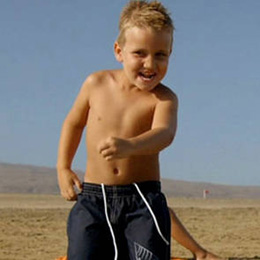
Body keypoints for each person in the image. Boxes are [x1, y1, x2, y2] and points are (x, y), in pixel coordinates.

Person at [57, 1, 221, 260]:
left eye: (160, 55)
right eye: (140, 53)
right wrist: (63, 167)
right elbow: (73, 123)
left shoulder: (164, 99)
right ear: (119, 51)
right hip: (92, 198)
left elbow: (164, 134)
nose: (150, 64)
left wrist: (130, 146)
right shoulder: (96, 83)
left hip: (141, 201)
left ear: (171, 53)